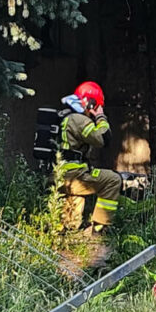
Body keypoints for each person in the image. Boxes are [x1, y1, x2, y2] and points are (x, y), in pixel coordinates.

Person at [54, 80, 122, 267]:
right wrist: (100, 117)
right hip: (74, 174)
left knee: (73, 212)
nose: (96, 109)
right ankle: (99, 231)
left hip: (61, 174)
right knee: (112, 180)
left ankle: (66, 247)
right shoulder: (78, 119)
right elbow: (102, 138)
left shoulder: (64, 116)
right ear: (90, 103)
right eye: (96, 105)